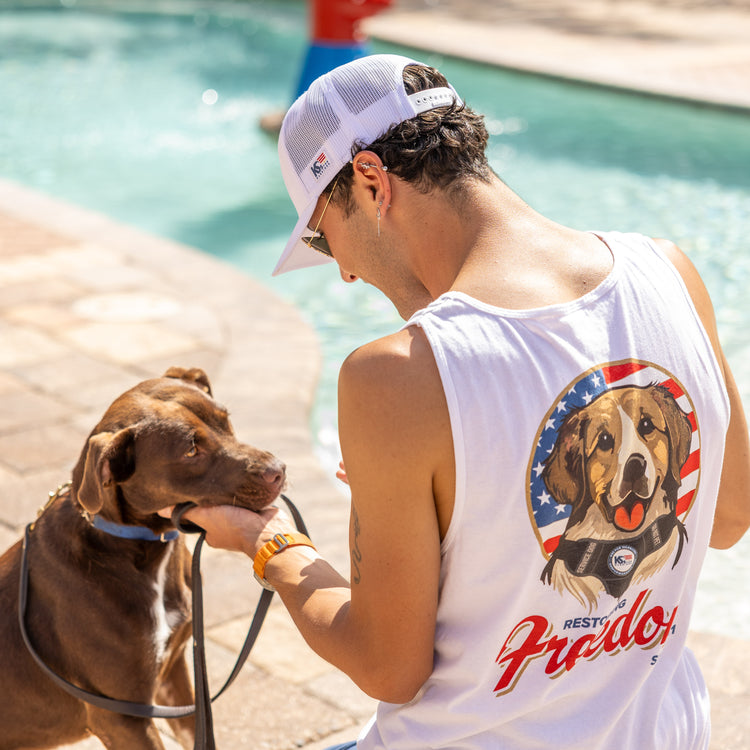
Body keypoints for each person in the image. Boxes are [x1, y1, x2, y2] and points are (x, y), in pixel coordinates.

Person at [167, 54, 750, 748]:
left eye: (324, 237)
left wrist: (268, 544)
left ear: (370, 179)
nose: (345, 272)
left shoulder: (397, 377)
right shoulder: (671, 272)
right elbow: (729, 515)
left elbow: (389, 668)